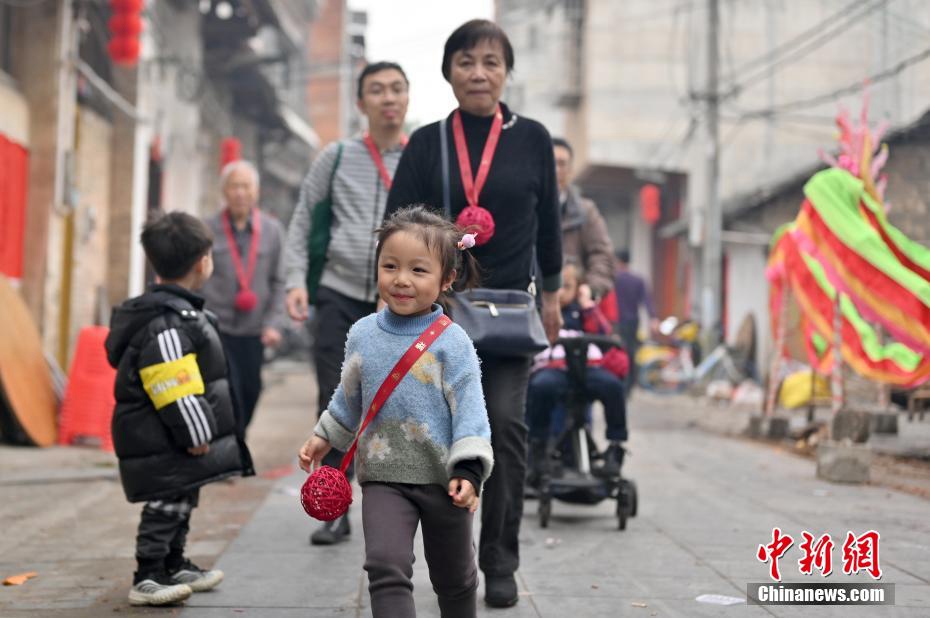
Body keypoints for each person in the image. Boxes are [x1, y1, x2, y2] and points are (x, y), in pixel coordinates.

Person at [385, 20, 563, 608]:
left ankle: (500, 562)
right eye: (466, 61)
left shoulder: (533, 138)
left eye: (491, 61)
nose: (479, 72)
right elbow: (395, 224)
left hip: (508, 314)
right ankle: (450, 556)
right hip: (434, 319)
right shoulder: (426, 142)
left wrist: (555, 295)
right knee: (438, 437)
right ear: (449, 72)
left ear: (506, 71)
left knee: (506, 428)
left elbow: (548, 227)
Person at [297, 206, 493, 618]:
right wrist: (324, 435)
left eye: (419, 270)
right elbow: (349, 399)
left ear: (447, 279)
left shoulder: (454, 344)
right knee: (385, 567)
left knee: (455, 579)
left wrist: (469, 472)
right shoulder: (363, 334)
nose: (401, 279)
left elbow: (472, 412)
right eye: (390, 266)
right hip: (384, 477)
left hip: (445, 481)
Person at [285, 61, 410, 545]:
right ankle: (332, 503)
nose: (388, 98)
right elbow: (302, 220)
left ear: (407, 98)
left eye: (396, 89)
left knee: (394, 401)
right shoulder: (335, 157)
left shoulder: (418, 157)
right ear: (361, 103)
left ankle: (394, 503)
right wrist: (297, 280)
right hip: (337, 293)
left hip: (396, 304)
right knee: (332, 398)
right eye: (377, 90)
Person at [105, 212, 254, 607]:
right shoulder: (167, 323)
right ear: (203, 261)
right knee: (168, 499)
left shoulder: (177, 313)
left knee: (183, 493)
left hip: (167, 434)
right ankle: (148, 573)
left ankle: (173, 561)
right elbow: (174, 386)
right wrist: (196, 432)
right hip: (165, 433)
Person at [200, 160, 286, 435]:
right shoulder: (207, 230)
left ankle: (236, 439)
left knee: (251, 389)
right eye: (234, 186)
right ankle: (231, 449)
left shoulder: (272, 231)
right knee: (228, 389)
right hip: (217, 327)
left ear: (255, 192)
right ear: (224, 191)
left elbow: (279, 281)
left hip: (254, 330)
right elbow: (197, 278)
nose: (240, 193)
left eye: (245, 186)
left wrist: (274, 323)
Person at [525, 261, 628, 487]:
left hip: (588, 368)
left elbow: (604, 334)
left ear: (578, 287)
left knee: (613, 387)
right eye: (556, 286)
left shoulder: (583, 312)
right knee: (541, 387)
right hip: (555, 369)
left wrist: (587, 304)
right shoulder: (542, 310)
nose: (561, 291)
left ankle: (616, 445)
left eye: (567, 286)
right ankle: (539, 446)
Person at [553, 137, 614, 299]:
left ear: (571, 170)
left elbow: (602, 255)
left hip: (572, 303)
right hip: (531, 301)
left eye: (561, 163)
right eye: (550, 163)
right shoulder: (527, 207)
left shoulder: (586, 211)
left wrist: (591, 289)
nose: (556, 170)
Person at [612, 249, 658, 398]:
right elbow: (647, 301)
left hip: (615, 322)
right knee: (630, 352)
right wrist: (653, 318)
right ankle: (629, 387)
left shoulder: (614, 279)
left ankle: (618, 383)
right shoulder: (638, 280)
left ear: (618, 261)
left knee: (616, 351)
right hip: (632, 321)